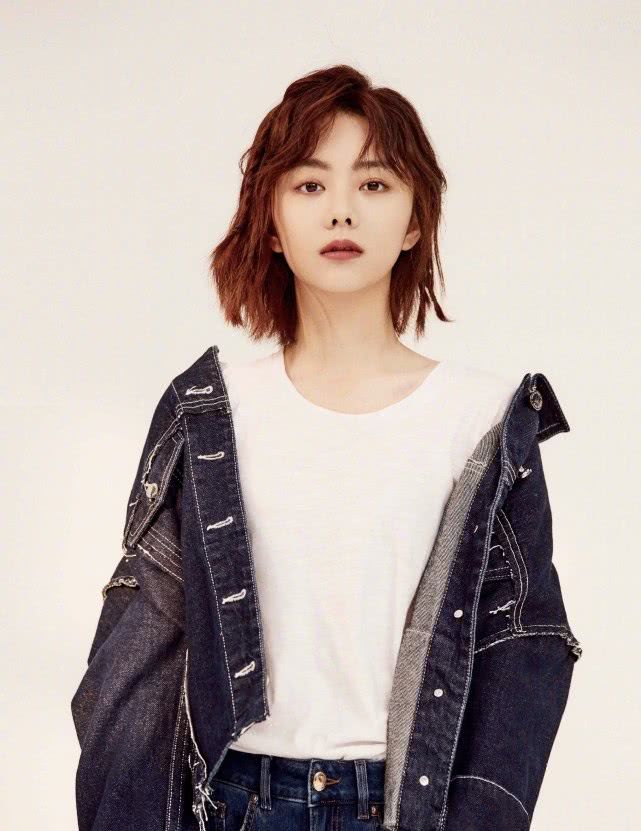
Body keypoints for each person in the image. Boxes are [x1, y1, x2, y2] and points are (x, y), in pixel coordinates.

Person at [71, 64, 582, 831]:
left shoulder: (482, 419)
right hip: (231, 808)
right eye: (310, 184)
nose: (341, 208)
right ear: (271, 223)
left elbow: (520, 653)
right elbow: (137, 659)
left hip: (406, 810)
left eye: (373, 183)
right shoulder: (209, 413)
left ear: (414, 220)